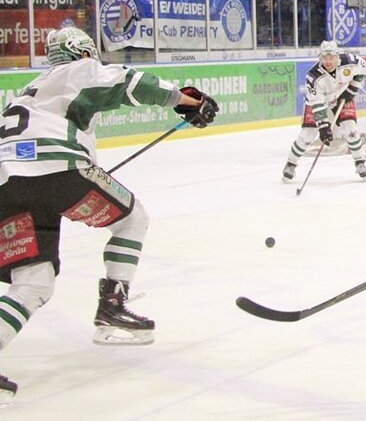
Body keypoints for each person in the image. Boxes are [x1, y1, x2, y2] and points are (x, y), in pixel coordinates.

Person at [0, 27, 217, 399]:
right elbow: (128, 80)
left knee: (33, 283)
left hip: (6, 188)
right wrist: (186, 100)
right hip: (56, 172)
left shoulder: (29, 91)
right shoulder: (77, 70)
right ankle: (113, 306)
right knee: (133, 219)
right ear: (83, 52)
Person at [281, 41, 366, 183]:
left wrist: (352, 89)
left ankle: (360, 162)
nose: (328, 61)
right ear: (319, 58)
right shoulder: (313, 77)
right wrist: (323, 127)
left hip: (341, 97)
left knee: (351, 130)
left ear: (337, 56)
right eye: (324, 57)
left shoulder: (350, 61)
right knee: (307, 136)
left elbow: (364, 68)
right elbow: (317, 103)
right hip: (318, 103)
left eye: (331, 57)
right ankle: (291, 164)